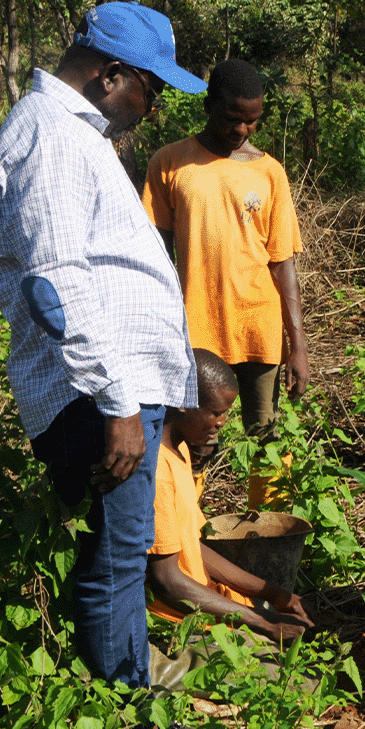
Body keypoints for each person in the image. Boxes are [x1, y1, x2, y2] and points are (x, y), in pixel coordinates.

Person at [0, 1, 207, 688]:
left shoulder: (73, 132)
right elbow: (56, 285)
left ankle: (128, 687)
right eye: (153, 87)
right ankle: (128, 719)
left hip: (116, 386)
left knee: (118, 560)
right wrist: (116, 407)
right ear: (113, 74)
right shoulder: (50, 133)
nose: (154, 105)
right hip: (102, 393)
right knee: (114, 567)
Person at [142, 59, 308, 508]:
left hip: (258, 325)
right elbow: (153, 255)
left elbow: (282, 262)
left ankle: (268, 533)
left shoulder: (269, 171)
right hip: (196, 331)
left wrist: (298, 344)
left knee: (267, 436)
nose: (242, 130)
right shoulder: (171, 163)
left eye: (252, 120)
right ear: (210, 105)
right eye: (232, 118)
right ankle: (184, 537)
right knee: (193, 442)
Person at [146, 348, 314, 642]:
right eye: (216, 412)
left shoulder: (181, 450)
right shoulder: (158, 473)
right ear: (185, 402)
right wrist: (262, 623)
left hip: (203, 600)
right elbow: (167, 582)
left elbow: (191, 548)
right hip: (178, 620)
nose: (223, 422)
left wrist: (274, 594)